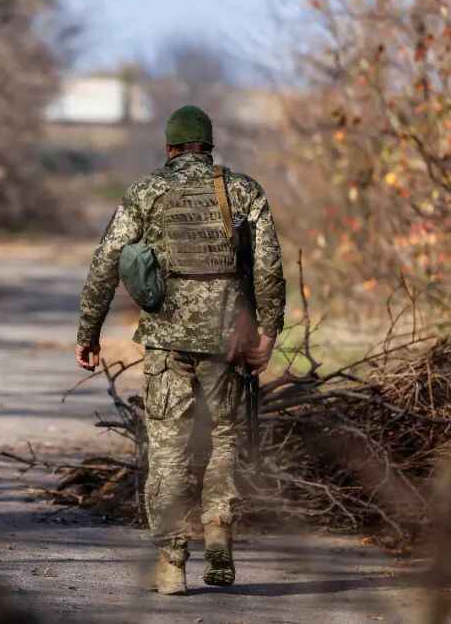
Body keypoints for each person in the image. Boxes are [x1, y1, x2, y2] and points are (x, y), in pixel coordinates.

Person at [74, 105, 285, 595]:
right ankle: (219, 530)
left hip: (167, 343)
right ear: (209, 146)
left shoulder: (147, 191)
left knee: (169, 447)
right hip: (228, 341)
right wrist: (269, 331)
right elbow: (269, 266)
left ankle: (171, 563)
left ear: (169, 147)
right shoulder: (243, 190)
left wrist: (88, 332)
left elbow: (106, 262)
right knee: (224, 439)